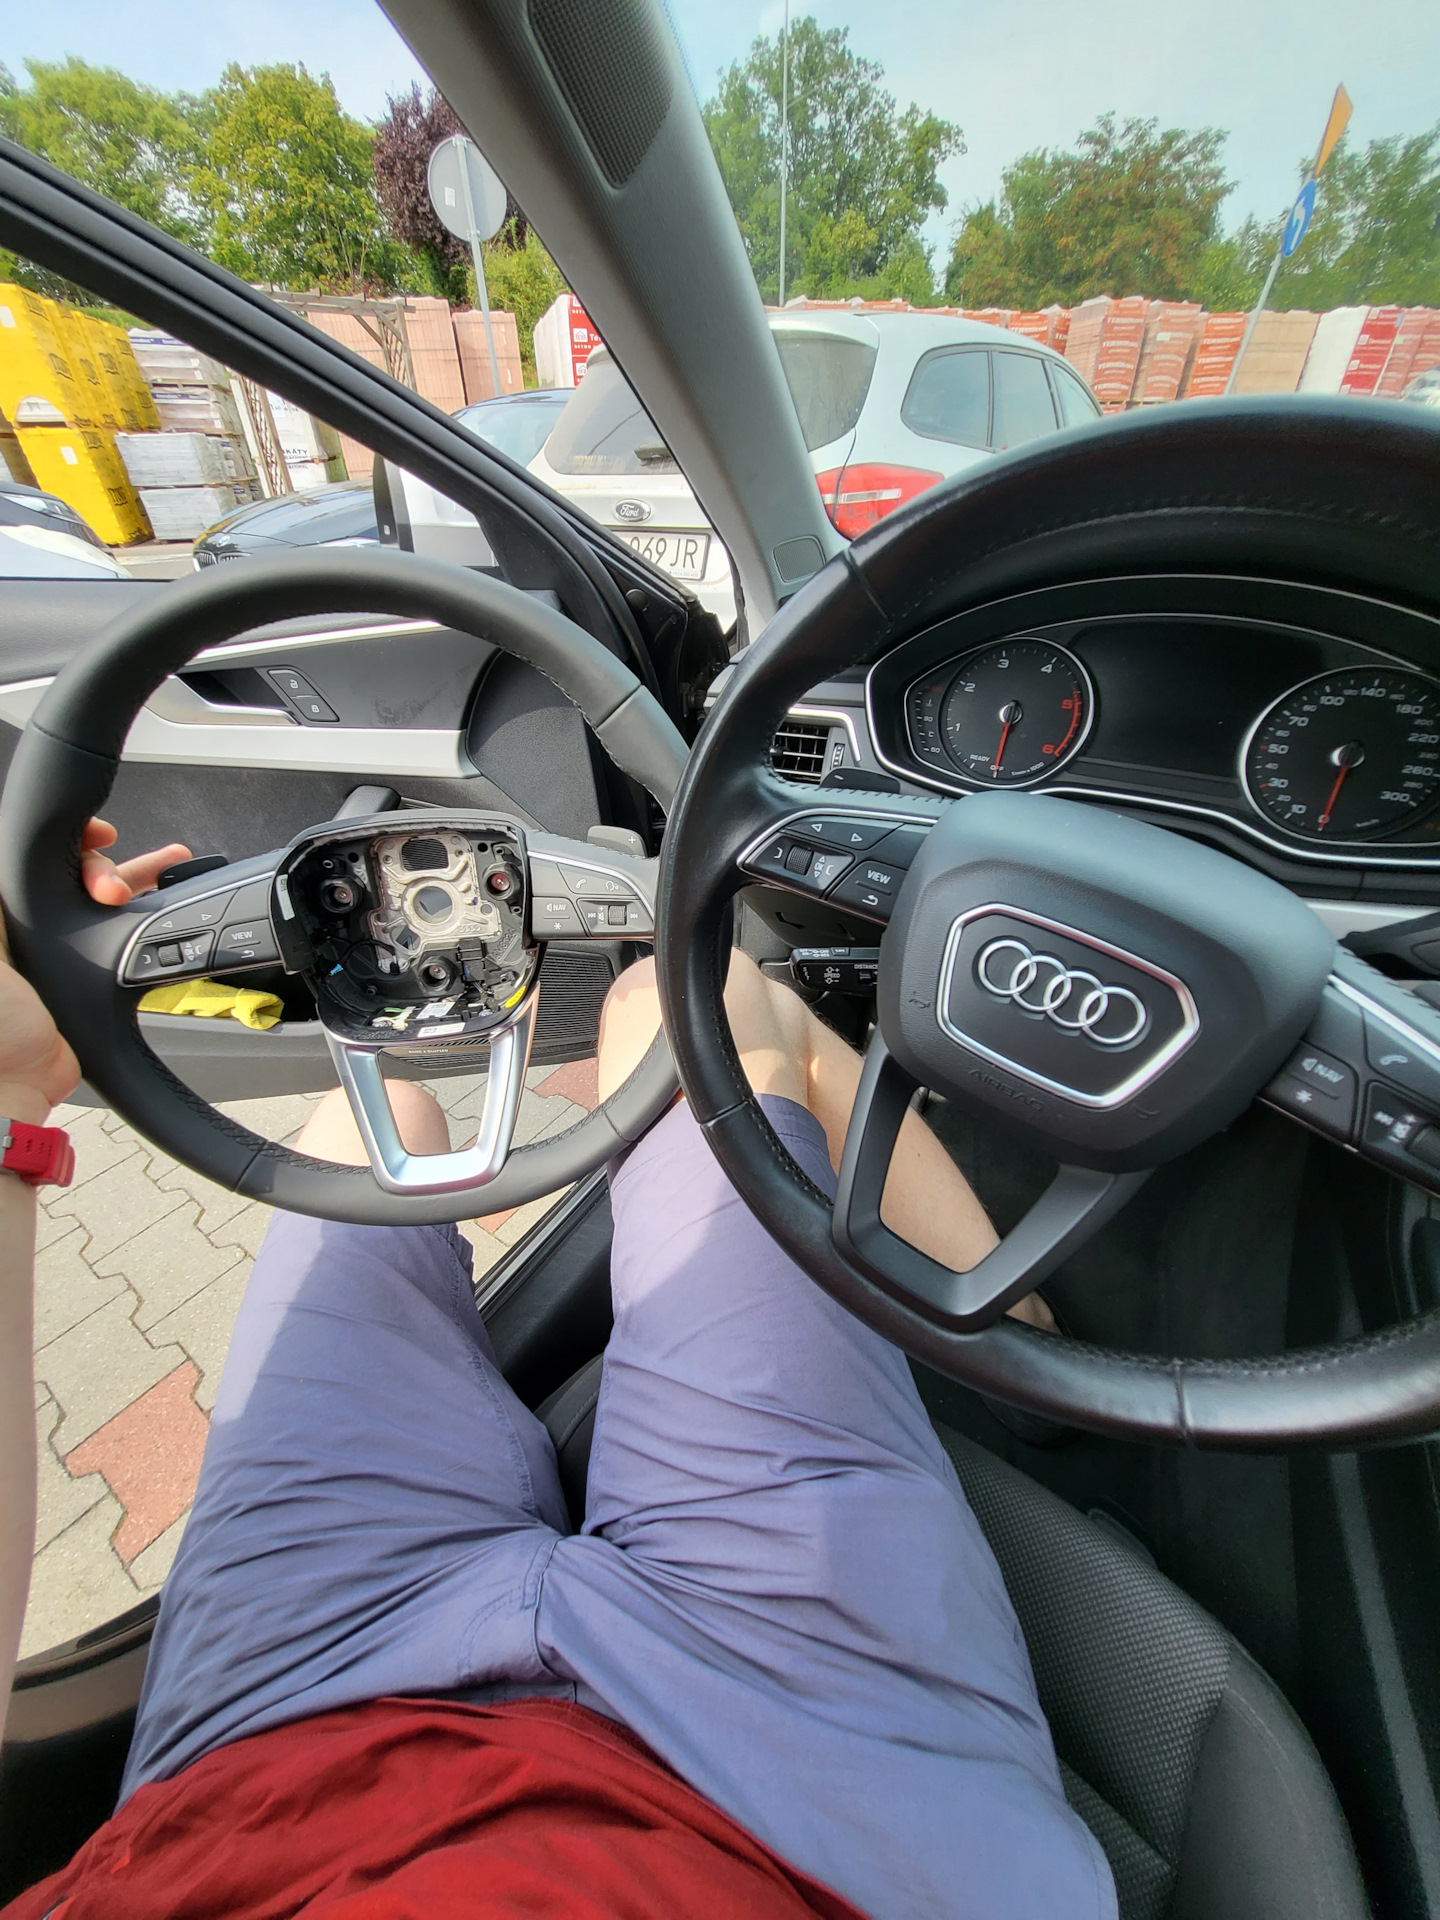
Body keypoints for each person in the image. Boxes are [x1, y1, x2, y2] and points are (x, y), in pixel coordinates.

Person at [0, 822, 1115, 1920]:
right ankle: (1023, 1340)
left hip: (260, 1769)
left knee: (366, 1117)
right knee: (693, 998)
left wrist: (10, 1083)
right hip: (812, 1801)